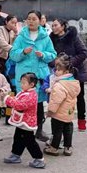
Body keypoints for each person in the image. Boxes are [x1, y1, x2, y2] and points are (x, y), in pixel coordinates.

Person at [9, 10, 57, 142]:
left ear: (40, 21)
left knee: (39, 105)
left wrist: (43, 55)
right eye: (29, 19)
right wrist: (23, 52)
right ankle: (22, 131)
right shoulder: (21, 37)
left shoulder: (45, 37)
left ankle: (39, 130)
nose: (31, 21)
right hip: (24, 77)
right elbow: (13, 55)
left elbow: (53, 54)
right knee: (23, 104)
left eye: (34, 19)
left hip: (39, 76)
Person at [49, 18, 87, 131]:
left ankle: (82, 121)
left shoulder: (73, 37)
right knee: (61, 97)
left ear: (63, 26)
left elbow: (83, 52)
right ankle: (63, 120)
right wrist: (56, 65)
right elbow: (50, 55)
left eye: (56, 25)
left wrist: (69, 63)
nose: (53, 28)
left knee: (79, 97)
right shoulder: (51, 39)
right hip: (60, 73)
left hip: (76, 72)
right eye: (52, 26)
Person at [2, 72, 45, 168]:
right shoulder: (25, 92)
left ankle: (39, 158)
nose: (21, 85)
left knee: (29, 141)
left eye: (24, 83)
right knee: (18, 138)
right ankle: (16, 154)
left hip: (27, 122)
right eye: (21, 82)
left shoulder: (30, 95)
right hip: (22, 121)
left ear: (31, 84)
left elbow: (19, 105)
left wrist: (7, 98)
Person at [43, 54, 80, 157]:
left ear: (66, 71)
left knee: (57, 131)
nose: (55, 72)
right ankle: (68, 147)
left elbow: (56, 101)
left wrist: (50, 112)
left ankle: (54, 148)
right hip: (69, 111)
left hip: (58, 113)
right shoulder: (74, 82)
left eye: (58, 70)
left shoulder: (59, 85)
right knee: (68, 129)